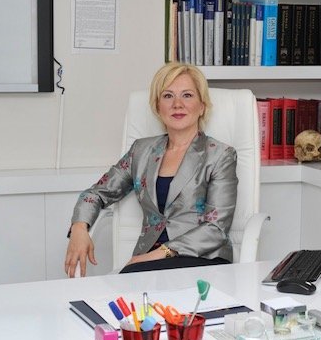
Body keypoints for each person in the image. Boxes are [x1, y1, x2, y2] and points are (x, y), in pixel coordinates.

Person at [64, 63, 238, 277]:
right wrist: (79, 228)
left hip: (203, 257)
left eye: (187, 95)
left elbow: (216, 228)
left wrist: (161, 253)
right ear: (157, 107)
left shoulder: (220, 155)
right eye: (168, 96)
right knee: (126, 289)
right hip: (149, 262)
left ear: (202, 106)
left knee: (128, 284)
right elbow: (96, 193)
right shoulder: (141, 151)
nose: (177, 104)